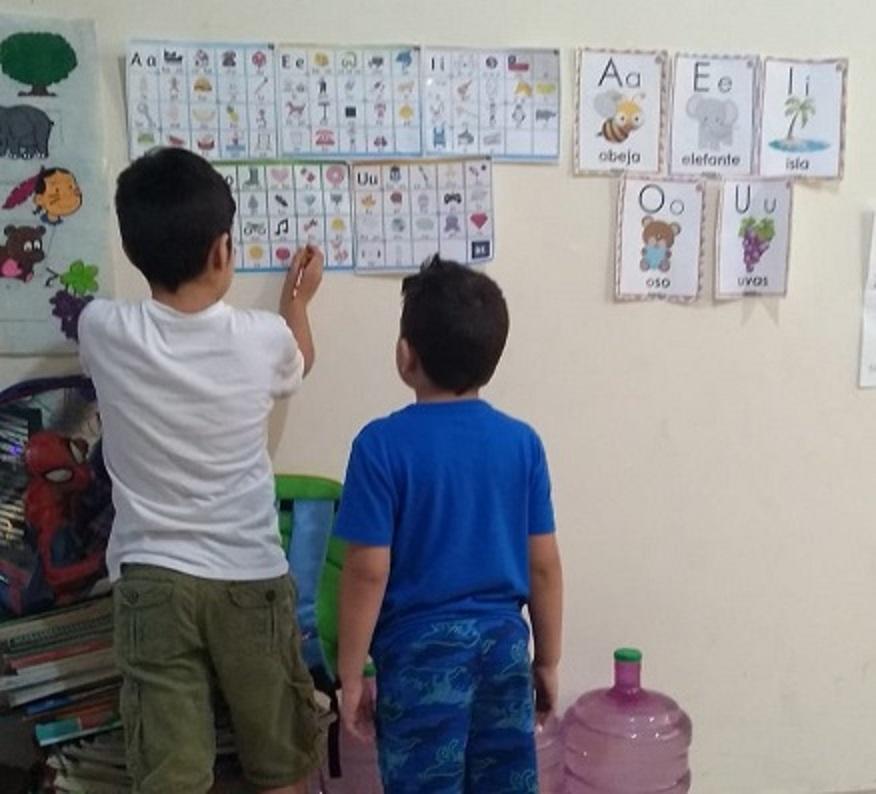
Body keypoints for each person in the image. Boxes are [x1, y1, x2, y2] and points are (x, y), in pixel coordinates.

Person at [77, 148, 325, 794]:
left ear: (132, 250)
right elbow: (300, 359)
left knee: (172, 774)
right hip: (248, 574)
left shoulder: (101, 328)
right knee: (279, 761)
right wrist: (298, 300)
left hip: (151, 579)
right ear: (223, 251)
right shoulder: (263, 339)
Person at [333, 256, 563, 793]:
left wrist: (350, 674)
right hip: (504, 648)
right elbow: (544, 567)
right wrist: (548, 661)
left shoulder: (379, 445)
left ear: (405, 355)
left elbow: (367, 571)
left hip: (419, 658)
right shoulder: (522, 444)